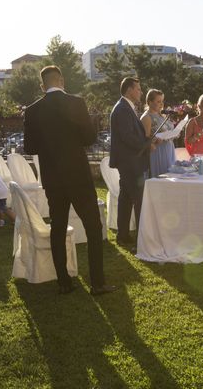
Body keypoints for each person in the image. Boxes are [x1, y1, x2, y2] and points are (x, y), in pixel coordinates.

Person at [24, 65, 116, 296]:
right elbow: (89, 138)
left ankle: (64, 282)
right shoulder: (76, 103)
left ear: (42, 85)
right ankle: (97, 282)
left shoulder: (33, 110)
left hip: (53, 177)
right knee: (93, 227)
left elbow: (29, 147)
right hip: (78, 175)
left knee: (57, 225)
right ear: (62, 81)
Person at [110, 76, 151, 245]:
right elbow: (127, 136)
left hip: (130, 160)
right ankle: (142, 239)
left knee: (126, 199)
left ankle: (123, 235)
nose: (141, 92)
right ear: (129, 90)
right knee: (138, 200)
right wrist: (146, 144)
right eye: (138, 89)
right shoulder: (122, 109)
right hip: (129, 161)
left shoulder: (126, 107)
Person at [140, 89, 176, 177]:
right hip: (158, 153)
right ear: (149, 102)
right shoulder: (146, 117)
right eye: (158, 101)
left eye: (162, 101)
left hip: (169, 150)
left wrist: (174, 133)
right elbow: (145, 142)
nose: (161, 104)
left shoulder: (161, 115)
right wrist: (155, 143)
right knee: (161, 180)